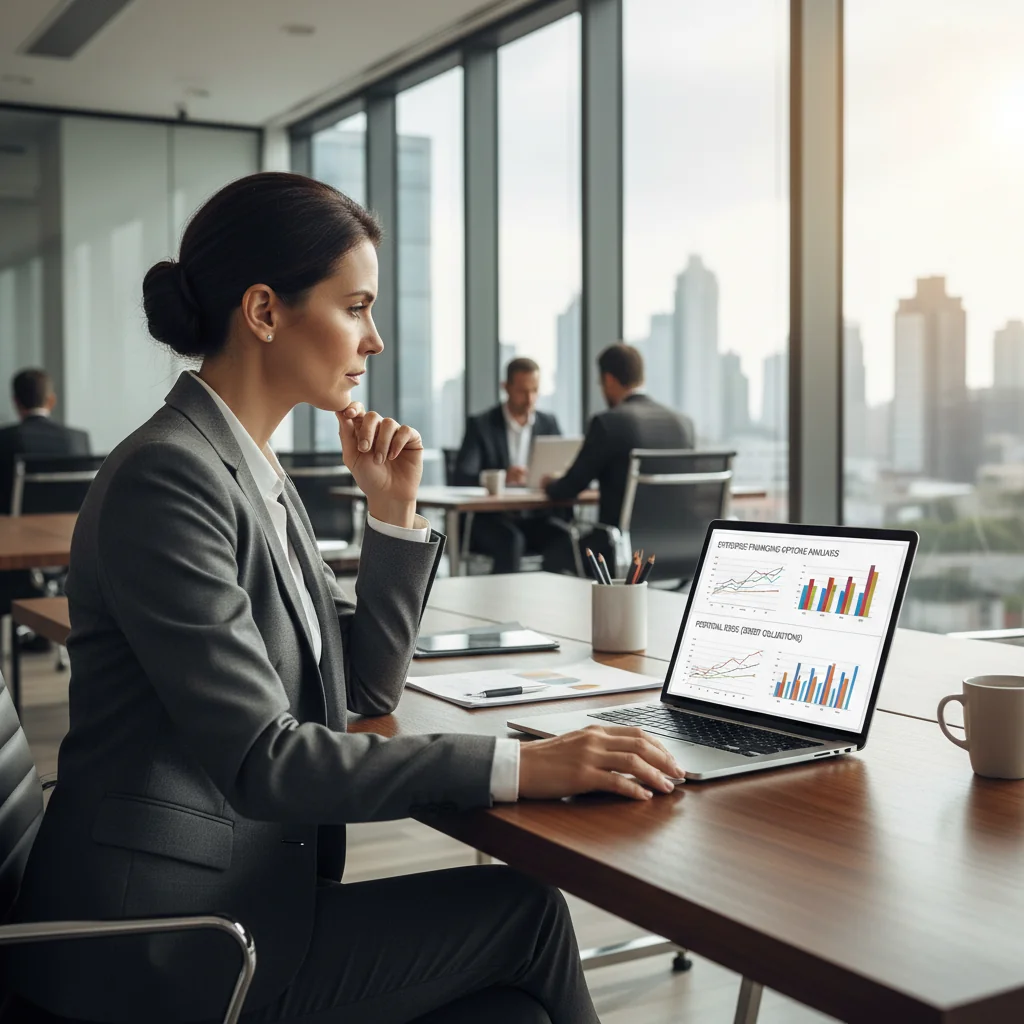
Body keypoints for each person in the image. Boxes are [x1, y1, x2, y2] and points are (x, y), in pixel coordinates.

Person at [7, 173, 683, 1024]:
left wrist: (392, 515)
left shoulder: (248, 466)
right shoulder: (169, 477)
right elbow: (267, 760)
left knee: (512, 997)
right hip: (163, 943)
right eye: (357, 306)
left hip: (238, 898)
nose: (375, 340)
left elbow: (361, 688)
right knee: (530, 918)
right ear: (264, 311)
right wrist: (522, 765)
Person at [543, 343, 696, 575]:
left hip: (621, 549)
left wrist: (549, 483)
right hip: (683, 547)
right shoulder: (683, 424)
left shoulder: (608, 423)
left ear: (609, 379)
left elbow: (569, 487)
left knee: (554, 553)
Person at [452, 359, 564, 574]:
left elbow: (561, 468)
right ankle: (502, 596)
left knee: (563, 538)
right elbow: (463, 475)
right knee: (511, 541)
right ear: (506, 387)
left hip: (535, 515)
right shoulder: (481, 425)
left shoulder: (548, 423)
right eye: (523, 391)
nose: (530, 399)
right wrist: (503, 477)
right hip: (491, 519)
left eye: (535, 391)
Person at [0, 368, 91, 514]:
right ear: (51, 400)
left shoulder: (5, 438)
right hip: (67, 525)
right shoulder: (79, 438)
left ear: (16, 401)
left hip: (15, 526)